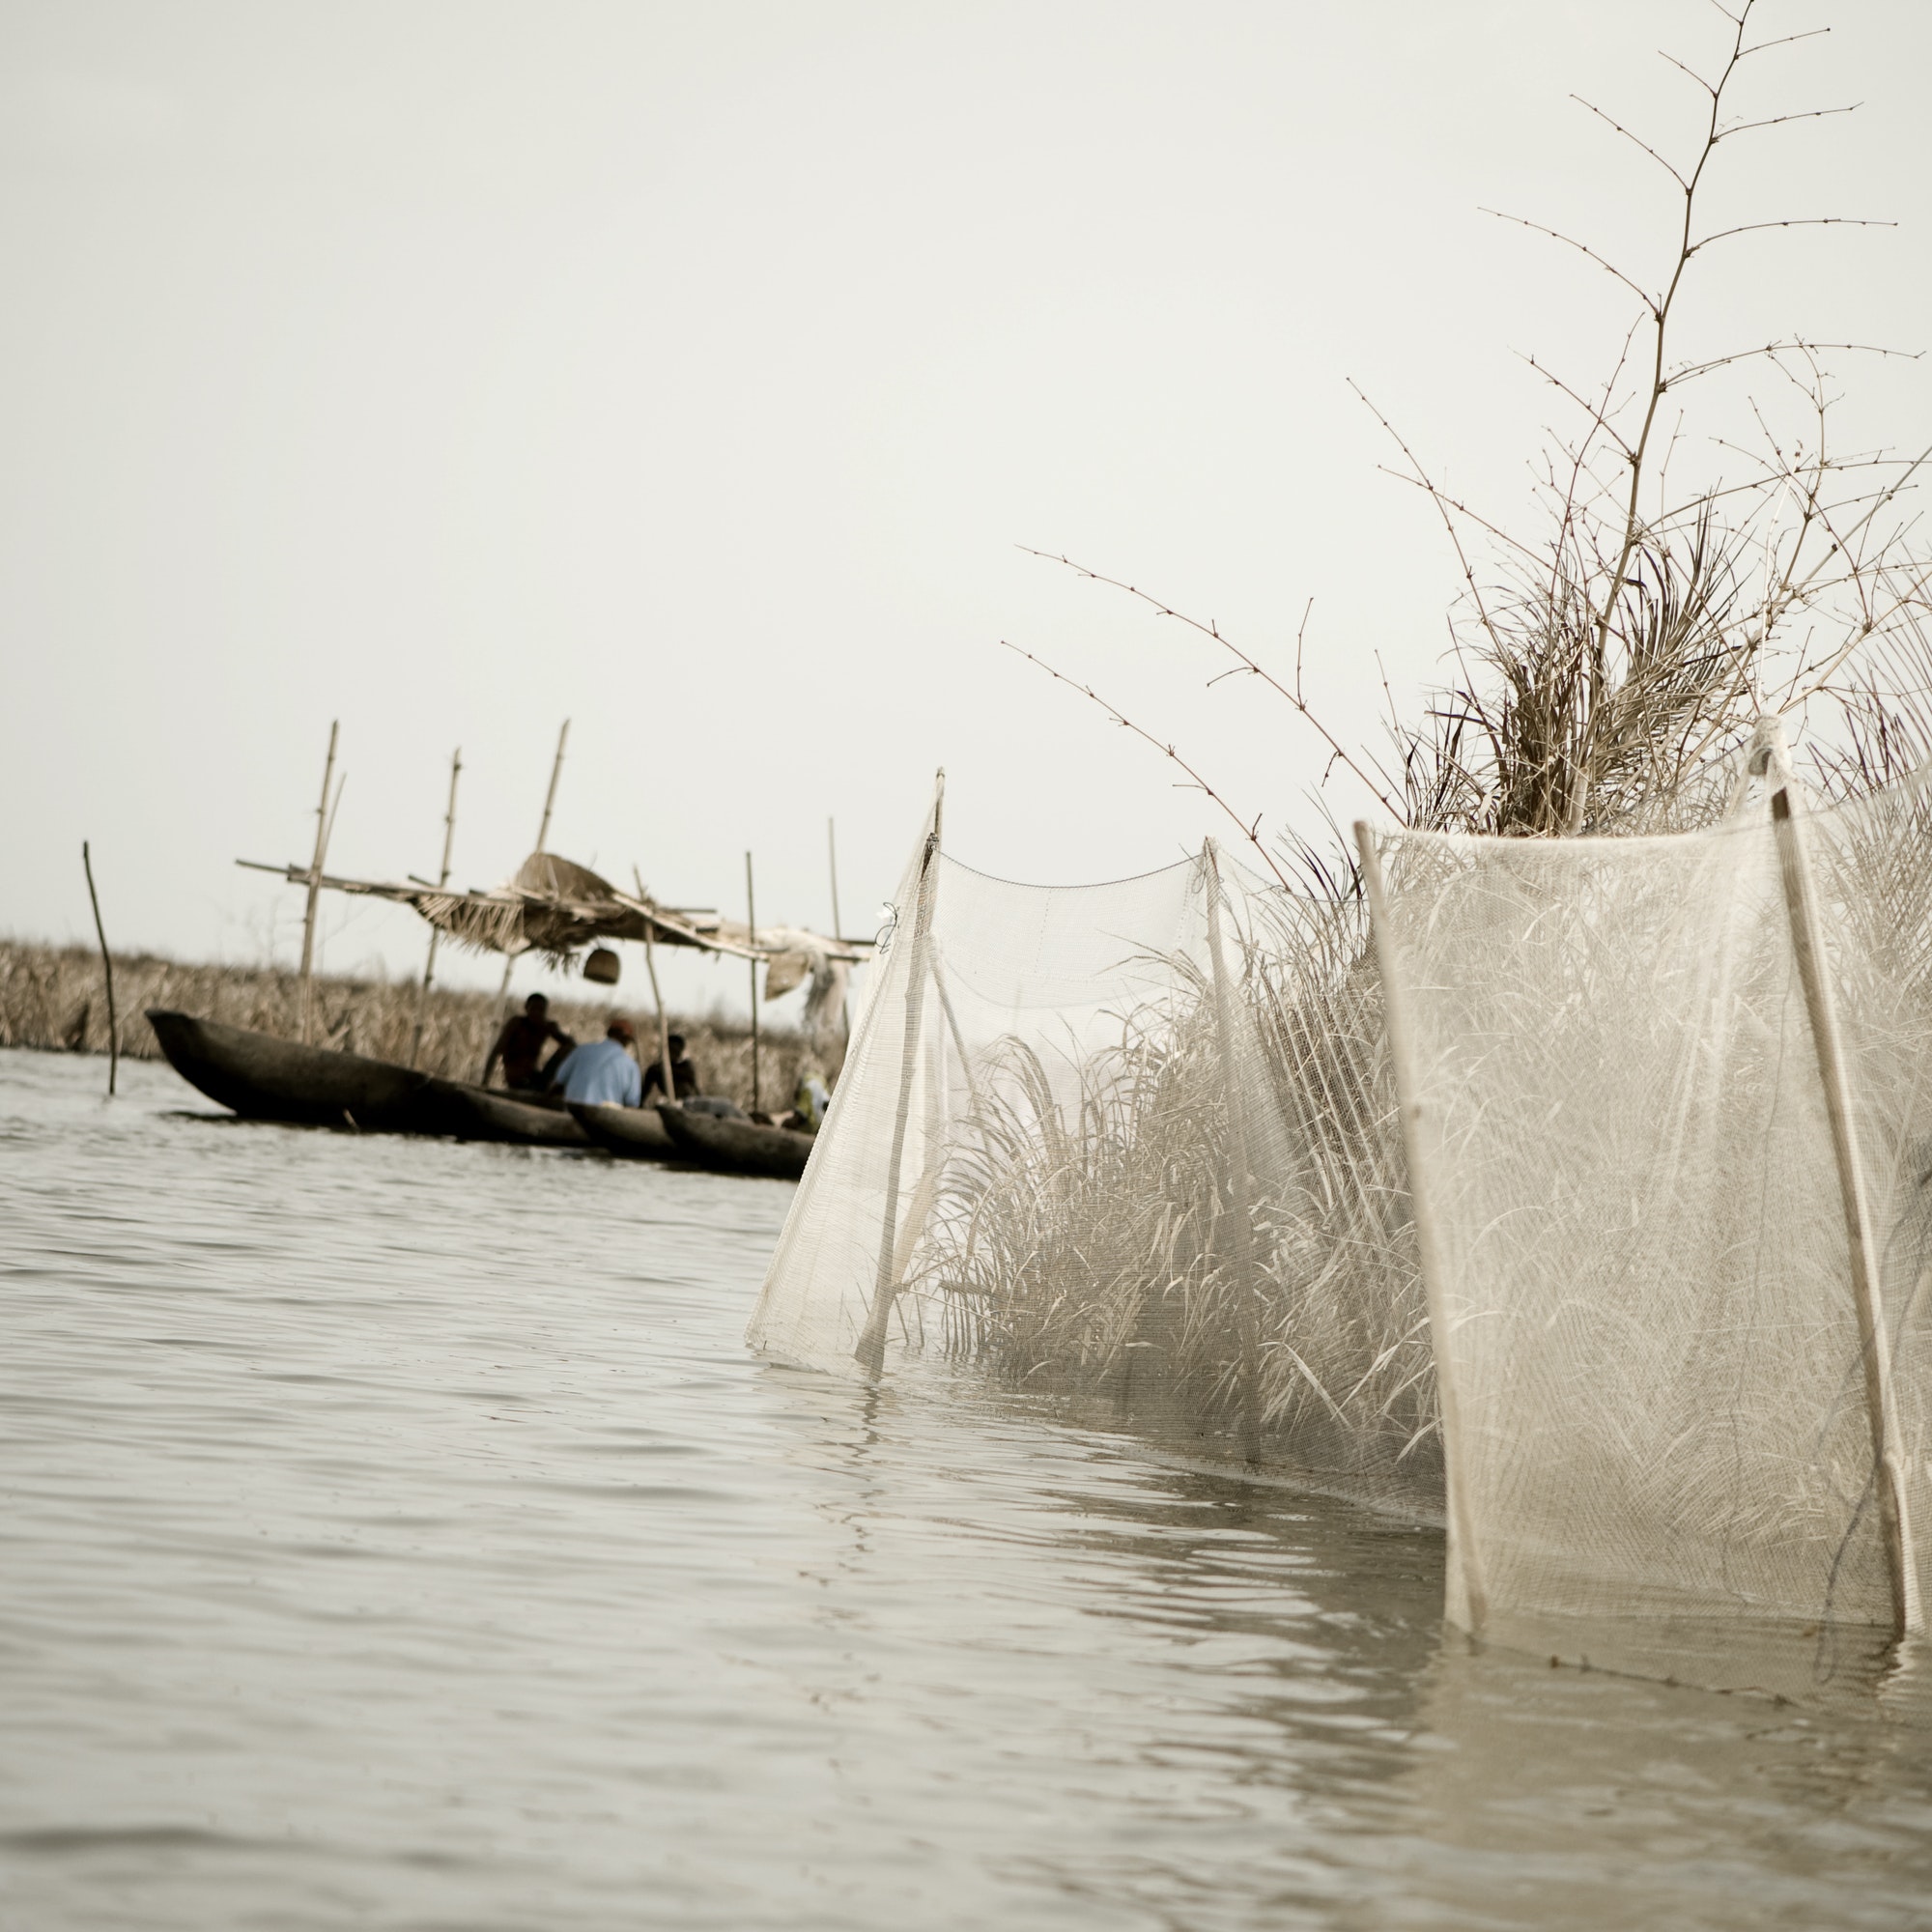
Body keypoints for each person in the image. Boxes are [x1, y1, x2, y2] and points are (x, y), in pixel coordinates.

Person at [485, 993, 574, 1093]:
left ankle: (557, 1088)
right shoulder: (517, 1024)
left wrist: (556, 1031)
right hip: (516, 1080)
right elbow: (496, 1052)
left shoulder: (545, 1027)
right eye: (533, 1009)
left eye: (541, 1010)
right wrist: (485, 1081)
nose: (537, 1013)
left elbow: (571, 1045)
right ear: (526, 1008)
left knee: (568, 1049)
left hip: (535, 1078)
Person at [548, 1017, 644, 1108]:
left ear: (608, 1033)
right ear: (627, 1040)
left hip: (572, 1112)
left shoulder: (581, 1050)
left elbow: (558, 1082)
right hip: (603, 1119)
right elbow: (632, 1104)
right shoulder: (630, 1065)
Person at [639, 1032, 701, 1102]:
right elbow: (645, 1091)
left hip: (688, 1102)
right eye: (670, 1049)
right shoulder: (656, 1070)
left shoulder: (687, 1067)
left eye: (675, 1050)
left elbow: (695, 1088)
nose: (672, 1053)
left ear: (681, 1051)